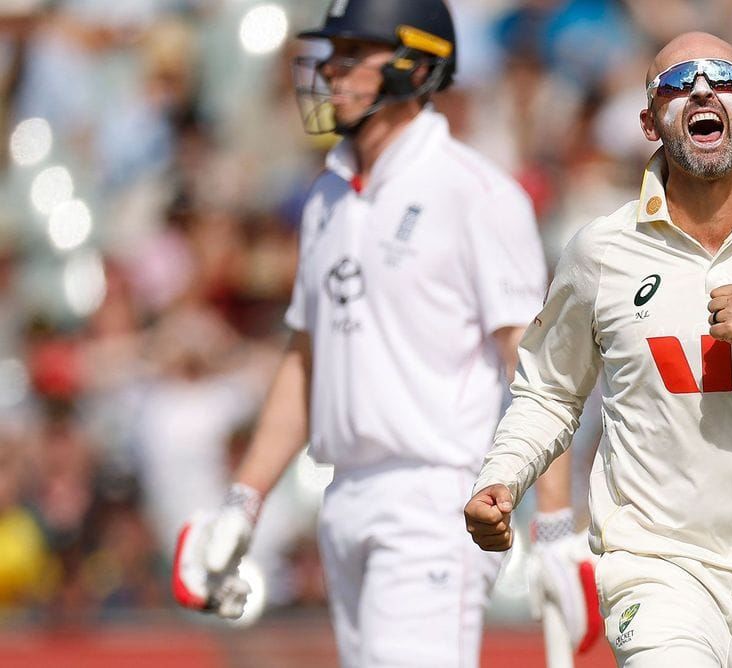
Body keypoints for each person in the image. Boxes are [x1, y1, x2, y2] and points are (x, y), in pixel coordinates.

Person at [465, 32, 732, 666]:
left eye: (725, 79)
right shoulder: (601, 250)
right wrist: (502, 477)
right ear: (649, 122)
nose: (702, 91)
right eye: (677, 85)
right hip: (653, 562)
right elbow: (550, 390)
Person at [170, 1, 551, 666]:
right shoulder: (326, 196)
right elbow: (306, 358)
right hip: (345, 492)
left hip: (439, 491)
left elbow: (538, 366)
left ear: (419, 64)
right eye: (332, 52)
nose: (333, 71)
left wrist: (556, 522)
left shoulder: (476, 193)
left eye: (354, 54)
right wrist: (243, 501)